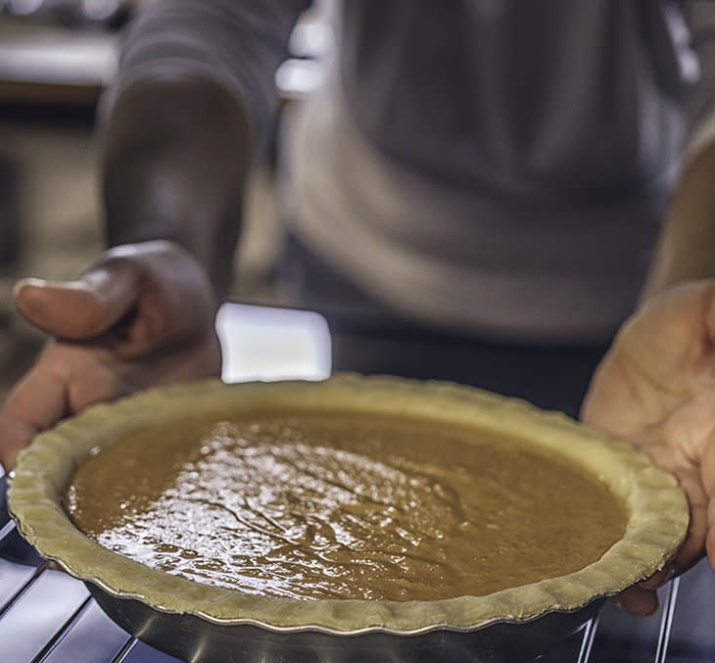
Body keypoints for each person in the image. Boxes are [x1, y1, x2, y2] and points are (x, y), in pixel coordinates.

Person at [0, 0, 714, 618]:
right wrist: (170, 244)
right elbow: (209, 20)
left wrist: (690, 305)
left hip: (637, 297)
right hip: (375, 244)